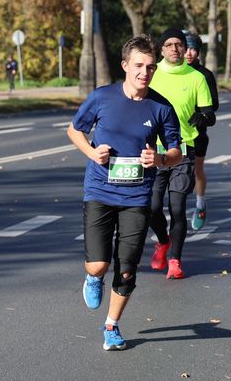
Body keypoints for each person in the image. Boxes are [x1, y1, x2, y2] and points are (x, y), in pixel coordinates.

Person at [67, 34, 182, 350]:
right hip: (100, 191)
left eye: (150, 67)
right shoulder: (102, 98)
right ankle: (94, 277)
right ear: (125, 66)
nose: (145, 72)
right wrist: (92, 153)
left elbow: (177, 152)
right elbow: (74, 130)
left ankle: (111, 326)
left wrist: (158, 159)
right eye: (139, 66)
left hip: (137, 196)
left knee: (128, 268)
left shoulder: (161, 107)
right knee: (99, 265)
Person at [148, 28, 214, 279]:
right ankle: (163, 242)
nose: (176, 48)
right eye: (170, 44)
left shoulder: (196, 77)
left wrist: (204, 116)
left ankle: (175, 260)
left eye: (179, 44)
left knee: (177, 208)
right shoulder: (152, 74)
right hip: (154, 151)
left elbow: (210, 112)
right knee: (153, 208)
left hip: (184, 149)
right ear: (162, 49)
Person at [183, 31, 219, 230]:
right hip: (176, 133)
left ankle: (200, 204)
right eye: (185, 48)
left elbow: (214, 105)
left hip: (198, 132)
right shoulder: (174, 73)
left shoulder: (205, 75)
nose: (188, 53)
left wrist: (201, 115)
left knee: (197, 170)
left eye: (193, 49)